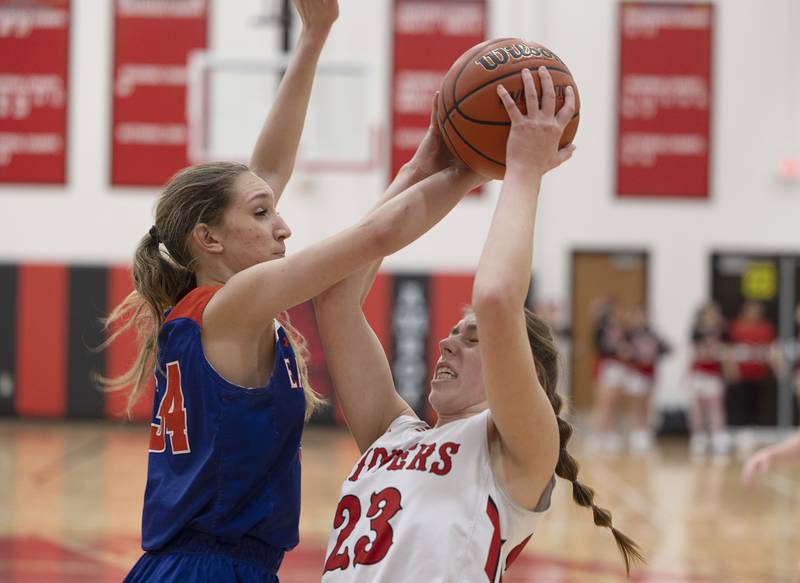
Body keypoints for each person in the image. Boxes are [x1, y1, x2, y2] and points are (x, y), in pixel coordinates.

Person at [99, 1, 487, 580]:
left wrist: (315, 36)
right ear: (209, 239)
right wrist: (477, 164)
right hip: (209, 569)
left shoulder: (219, 305)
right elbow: (376, 235)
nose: (282, 225)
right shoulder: (231, 306)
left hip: (214, 565)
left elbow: (269, 168)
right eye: (261, 214)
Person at [314, 67, 641, 582]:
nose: (445, 342)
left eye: (472, 338)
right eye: (455, 333)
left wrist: (523, 171)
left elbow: (494, 298)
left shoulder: (517, 449)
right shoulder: (393, 433)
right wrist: (429, 167)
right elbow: (336, 297)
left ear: (520, 367)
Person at [623, 305, 671, 453]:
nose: (641, 319)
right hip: (635, 373)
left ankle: (644, 433)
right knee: (636, 404)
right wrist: (634, 354)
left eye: (644, 316)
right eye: (638, 316)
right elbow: (621, 351)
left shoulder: (652, 334)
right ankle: (635, 434)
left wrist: (653, 355)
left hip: (649, 374)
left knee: (647, 404)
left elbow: (667, 348)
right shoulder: (628, 334)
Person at [686, 301, 732, 456]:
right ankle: (698, 436)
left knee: (715, 405)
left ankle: (718, 435)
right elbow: (696, 352)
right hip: (699, 373)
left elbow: (725, 352)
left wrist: (727, 366)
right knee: (697, 406)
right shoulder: (696, 330)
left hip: (713, 373)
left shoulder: (722, 331)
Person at [589, 298, 633, 453]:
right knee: (603, 403)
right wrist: (617, 348)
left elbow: (630, 346)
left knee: (615, 403)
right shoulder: (601, 327)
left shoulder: (624, 328)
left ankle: (610, 434)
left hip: (620, 367)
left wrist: (626, 349)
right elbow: (599, 345)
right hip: (606, 366)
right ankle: (596, 435)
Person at [727, 301, 777, 426]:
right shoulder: (737, 326)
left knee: (758, 402)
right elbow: (729, 349)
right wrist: (731, 368)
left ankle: (755, 426)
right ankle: (740, 426)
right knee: (742, 402)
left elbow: (771, 348)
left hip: (759, 373)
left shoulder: (766, 327)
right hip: (742, 374)